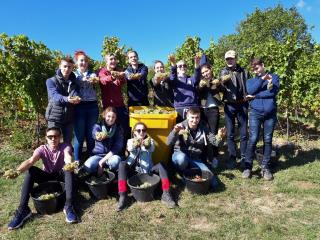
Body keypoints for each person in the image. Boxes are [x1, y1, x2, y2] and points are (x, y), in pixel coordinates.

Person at [7, 127, 78, 230]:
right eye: (50, 137)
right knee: (31, 171)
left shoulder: (65, 146)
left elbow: (67, 156)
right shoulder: (42, 149)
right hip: (47, 177)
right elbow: (31, 161)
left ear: (60, 137)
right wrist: (17, 171)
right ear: (46, 138)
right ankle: (23, 209)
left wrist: (69, 164)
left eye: (56, 136)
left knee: (68, 170)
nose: (53, 139)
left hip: (60, 177)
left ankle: (69, 206)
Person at [117, 122, 176, 211]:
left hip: (148, 172)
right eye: (138, 130)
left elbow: (151, 148)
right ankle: (123, 195)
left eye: (143, 130)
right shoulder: (130, 141)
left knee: (162, 165)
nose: (141, 132)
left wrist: (144, 144)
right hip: (134, 173)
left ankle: (166, 193)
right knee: (122, 164)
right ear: (134, 132)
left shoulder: (150, 141)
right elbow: (130, 148)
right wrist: (136, 144)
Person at [167, 107, 226, 187]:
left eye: (197, 117)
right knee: (182, 159)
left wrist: (220, 136)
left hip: (195, 158)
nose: (195, 120)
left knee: (213, 183)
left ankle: (191, 171)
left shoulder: (204, 128)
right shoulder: (180, 126)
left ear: (200, 117)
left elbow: (215, 142)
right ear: (187, 116)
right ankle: (182, 173)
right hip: (180, 155)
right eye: (192, 117)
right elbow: (168, 143)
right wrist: (175, 131)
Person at [242, 58, 280, 180]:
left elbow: (273, 92)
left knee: (268, 140)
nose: (256, 71)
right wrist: (262, 80)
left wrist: (255, 96)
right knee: (253, 139)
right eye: (253, 69)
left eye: (257, 68)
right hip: (255, 113)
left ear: (262, 65)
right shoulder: (251, 81)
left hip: (270, 114)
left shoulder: (274, 77)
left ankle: (265, 167)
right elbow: (250, 90)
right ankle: (248, 167)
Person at [219, 50, 249, 169]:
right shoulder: (223, 72)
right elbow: (220, 89)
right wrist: (221, 83)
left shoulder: (244, 72)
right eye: (227, 59)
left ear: (236, 59)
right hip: (229, 105)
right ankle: (232, 157)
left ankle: (243, 157)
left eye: (231, 58)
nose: (229, 61)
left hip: (242, 104)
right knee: (230, 134)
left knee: (243, 133)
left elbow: (249, 86)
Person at [45, 56, 80, 144]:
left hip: (69, 117)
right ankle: (51, 158)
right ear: (60, 66)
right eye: (65, 66)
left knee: (67, 143)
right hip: (54, 116)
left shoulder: (74, 83)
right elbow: (54, 96)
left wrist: (76, 98)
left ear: (72, 68)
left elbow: (75, 94)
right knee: (53, 142)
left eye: (69, 67)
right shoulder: (51, 81)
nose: (67, 69)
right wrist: (67, 99)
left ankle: (67, 158)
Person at [73, 50, 99, 162]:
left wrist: (93, 80)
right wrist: (81, 79)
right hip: (79, 107)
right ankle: (77, 162)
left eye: (85, 61)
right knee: (79, 136)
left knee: (90, 135)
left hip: (92, 106)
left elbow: (95, 80)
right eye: (81, 60)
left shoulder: (92, 74)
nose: (83, 62)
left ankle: (91, 160)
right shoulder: (73, 75)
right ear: (76, 63)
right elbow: (71, 82)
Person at [81, 107, 123, 175]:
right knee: (88, 166)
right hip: (98, 155)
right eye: (108, 116)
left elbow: (118, 147)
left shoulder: (118, 128)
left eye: (113, 117)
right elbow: (94, 134)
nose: (111, 119)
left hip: (112, 156)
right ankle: (98, 170)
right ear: (104, 116)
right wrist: (98, 137)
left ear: (116, 118)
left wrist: (101, 162)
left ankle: (108, 171)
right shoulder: (98, 126)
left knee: (116, 161)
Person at [198, 63, 222, 168]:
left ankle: (215, 157)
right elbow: (197, 92)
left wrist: (218, 84)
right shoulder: (201, 81)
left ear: (210, 70)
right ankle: (205, 156)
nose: (205, 73)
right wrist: (200, 86)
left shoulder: (216, 81)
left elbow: (223, 90)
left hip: (213, 110)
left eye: (206, 71)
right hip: (202, 110)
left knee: (212, 133)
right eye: (203, 72)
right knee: (203, 133)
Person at [99, 53, 129, 135]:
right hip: (109, 107)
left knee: (125, 128)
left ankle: (124, 147)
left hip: (120, 105)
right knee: (110, 131)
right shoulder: (102, 72)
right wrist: (113, 77)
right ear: (106, 61)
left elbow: (122, 82)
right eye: (111, 59)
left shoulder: (118, 71)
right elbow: (103, 80)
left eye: (115, 59)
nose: (113, 61)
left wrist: (122, 77)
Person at [168, 54, 201, 122]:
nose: (182, 67)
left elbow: (197, 76)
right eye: (180, 66)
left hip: (193, 107)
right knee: (181, 130)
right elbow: (172, 77)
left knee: (193, 129)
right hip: (180, 108)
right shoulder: (175, 80)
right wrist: (173, 64)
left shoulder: (191, 79)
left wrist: (197, 64)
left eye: (184, 65)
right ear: (177, 69)